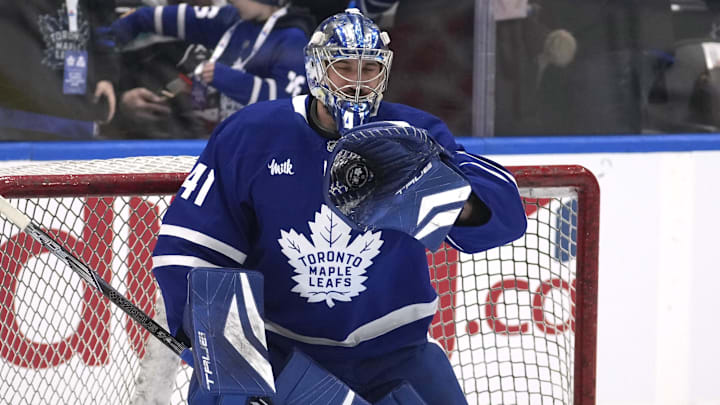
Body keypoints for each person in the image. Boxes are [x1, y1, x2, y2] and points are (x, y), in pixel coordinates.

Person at [152, 8, 527, 404]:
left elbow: (505, 216)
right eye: (343, 66)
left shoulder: (414, 135)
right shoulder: (252, 134)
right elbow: (190, 251)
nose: (357, 82)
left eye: (369, 69)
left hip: (394, 356)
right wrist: (238, 366)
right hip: (282, 355)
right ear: (316, 70)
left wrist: (440, 193)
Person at [104, 0, 315, 128]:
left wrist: (225, 78)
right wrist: (102, 45)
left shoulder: (293, 39)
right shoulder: (231, 18)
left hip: (257, 144)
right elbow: (146, 18)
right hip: (206, 137)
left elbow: (287, 103)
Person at [0, 0, 117, 140]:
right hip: (20, 131)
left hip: (77, 126)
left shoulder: (89, 7)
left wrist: (105, 75)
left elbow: (102, 32)